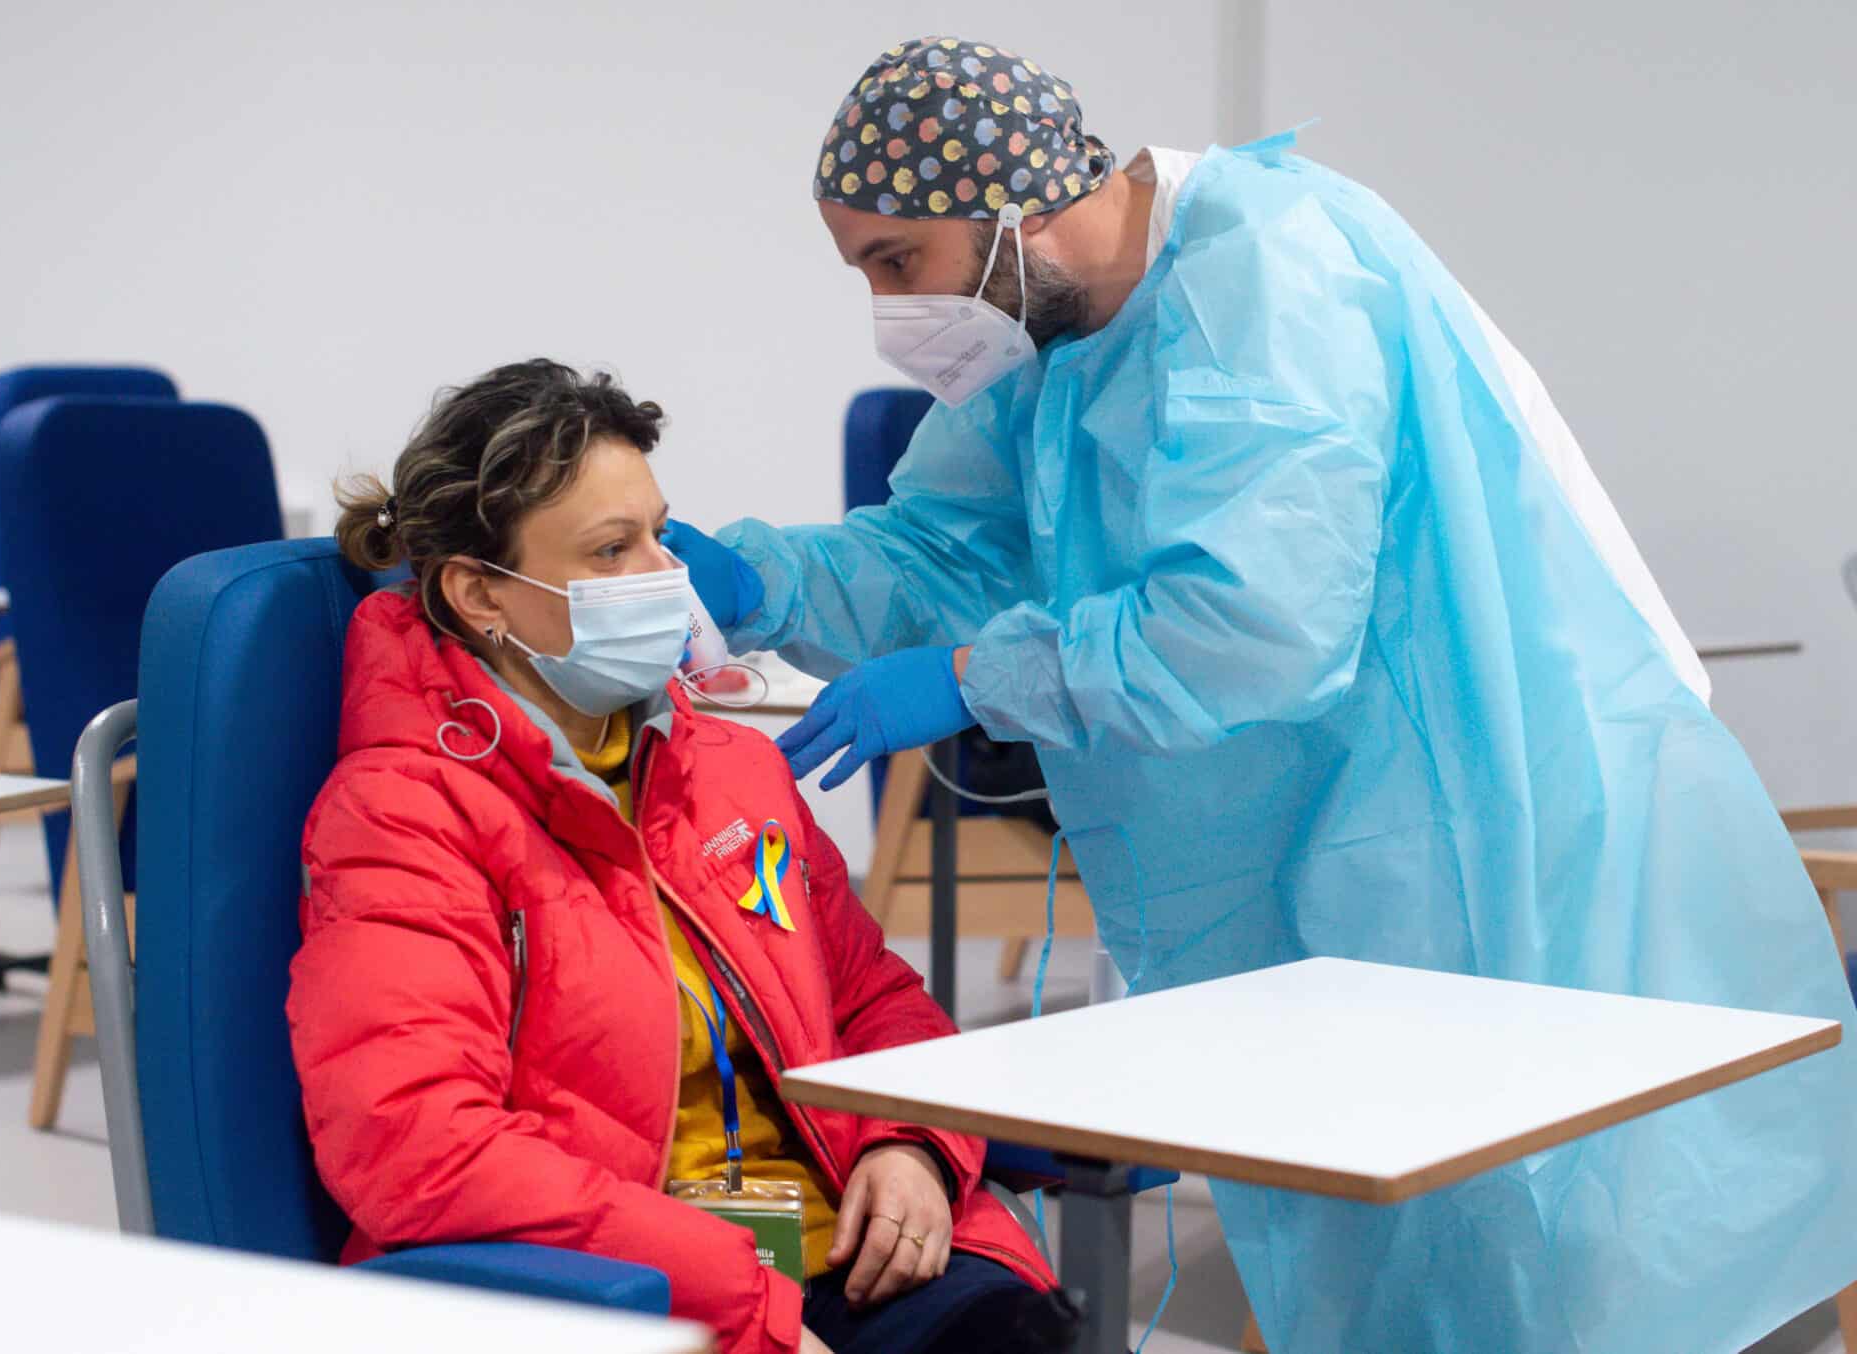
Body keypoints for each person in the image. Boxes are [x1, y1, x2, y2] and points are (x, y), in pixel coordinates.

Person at [661, 36, 1857, 1354]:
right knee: (1377, 1252)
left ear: (1008, 209)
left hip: (1477, 812)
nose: (892, 308)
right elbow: (936, 547)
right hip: (1302, 855)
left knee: (1563, 1246)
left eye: (898, 262)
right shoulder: (1043, 348)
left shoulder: (1268, 267)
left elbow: (1257, 623)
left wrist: (967, 677)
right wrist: (764, 579)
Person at [289, 359, 1069, 1354]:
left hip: (850, 1249)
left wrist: (912, 1144)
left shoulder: (726, 768)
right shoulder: (404, 814)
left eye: (659, 531)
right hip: (635, 1295)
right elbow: (417, 1145)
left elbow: (874, 1001)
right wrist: (741, 1297)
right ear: (480, 592)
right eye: (611, 549)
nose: (664, 573)